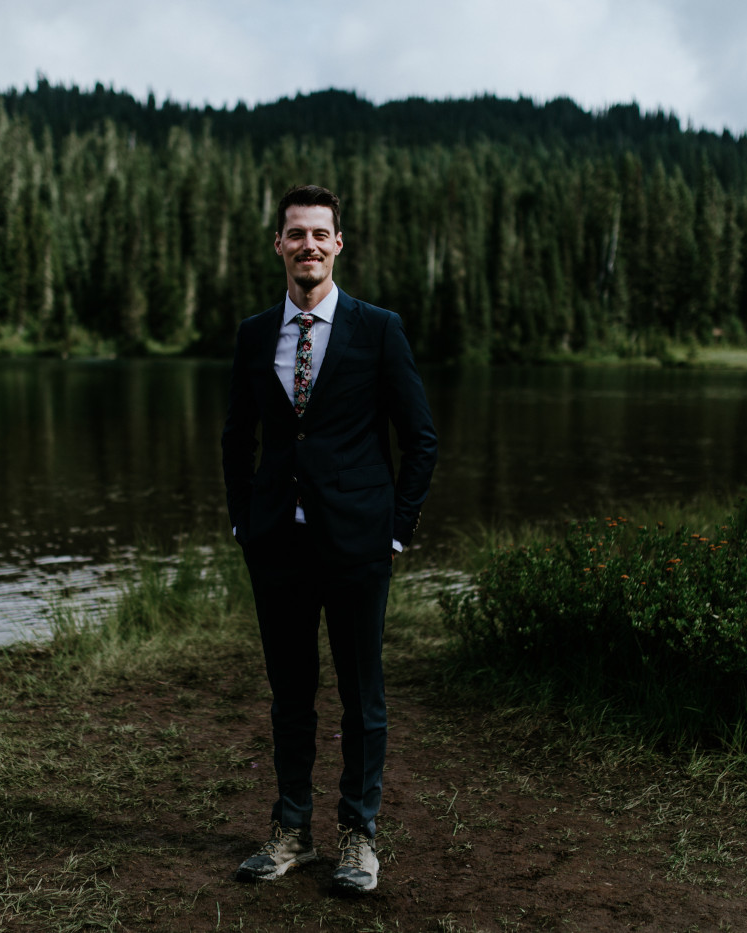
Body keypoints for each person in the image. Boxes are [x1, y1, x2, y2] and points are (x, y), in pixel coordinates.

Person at [220, 184, 438, 894]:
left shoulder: (378, 329)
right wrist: (243, 522)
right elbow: (235, 438)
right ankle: (290, 830)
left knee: (361, 696)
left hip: (358, 545)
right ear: (278, 245)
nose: (307, 245)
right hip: (277, 543)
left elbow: (421, 439)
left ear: (339, 244)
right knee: (290, 693)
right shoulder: (256, 334)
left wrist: (395, 533)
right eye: (295, 234)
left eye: (320, 234)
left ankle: (358, 836)